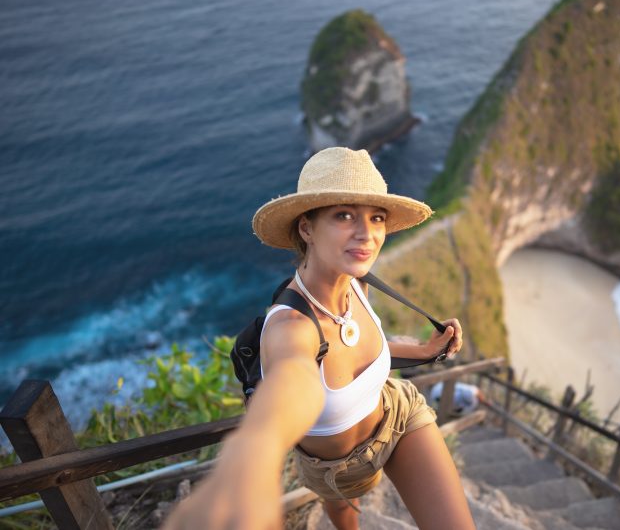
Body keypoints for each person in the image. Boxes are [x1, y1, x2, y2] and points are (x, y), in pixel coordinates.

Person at [163, 147, 475, 530]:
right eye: (344, 215)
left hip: (399, 415)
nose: (367, 234)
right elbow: (293, 381)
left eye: (376, 218)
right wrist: (250, 462)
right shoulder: (291, 327)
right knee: (345, 517)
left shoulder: (355, 281)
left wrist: (424, 350)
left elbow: (357, 347)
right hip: (336, 468)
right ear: (306, 228)